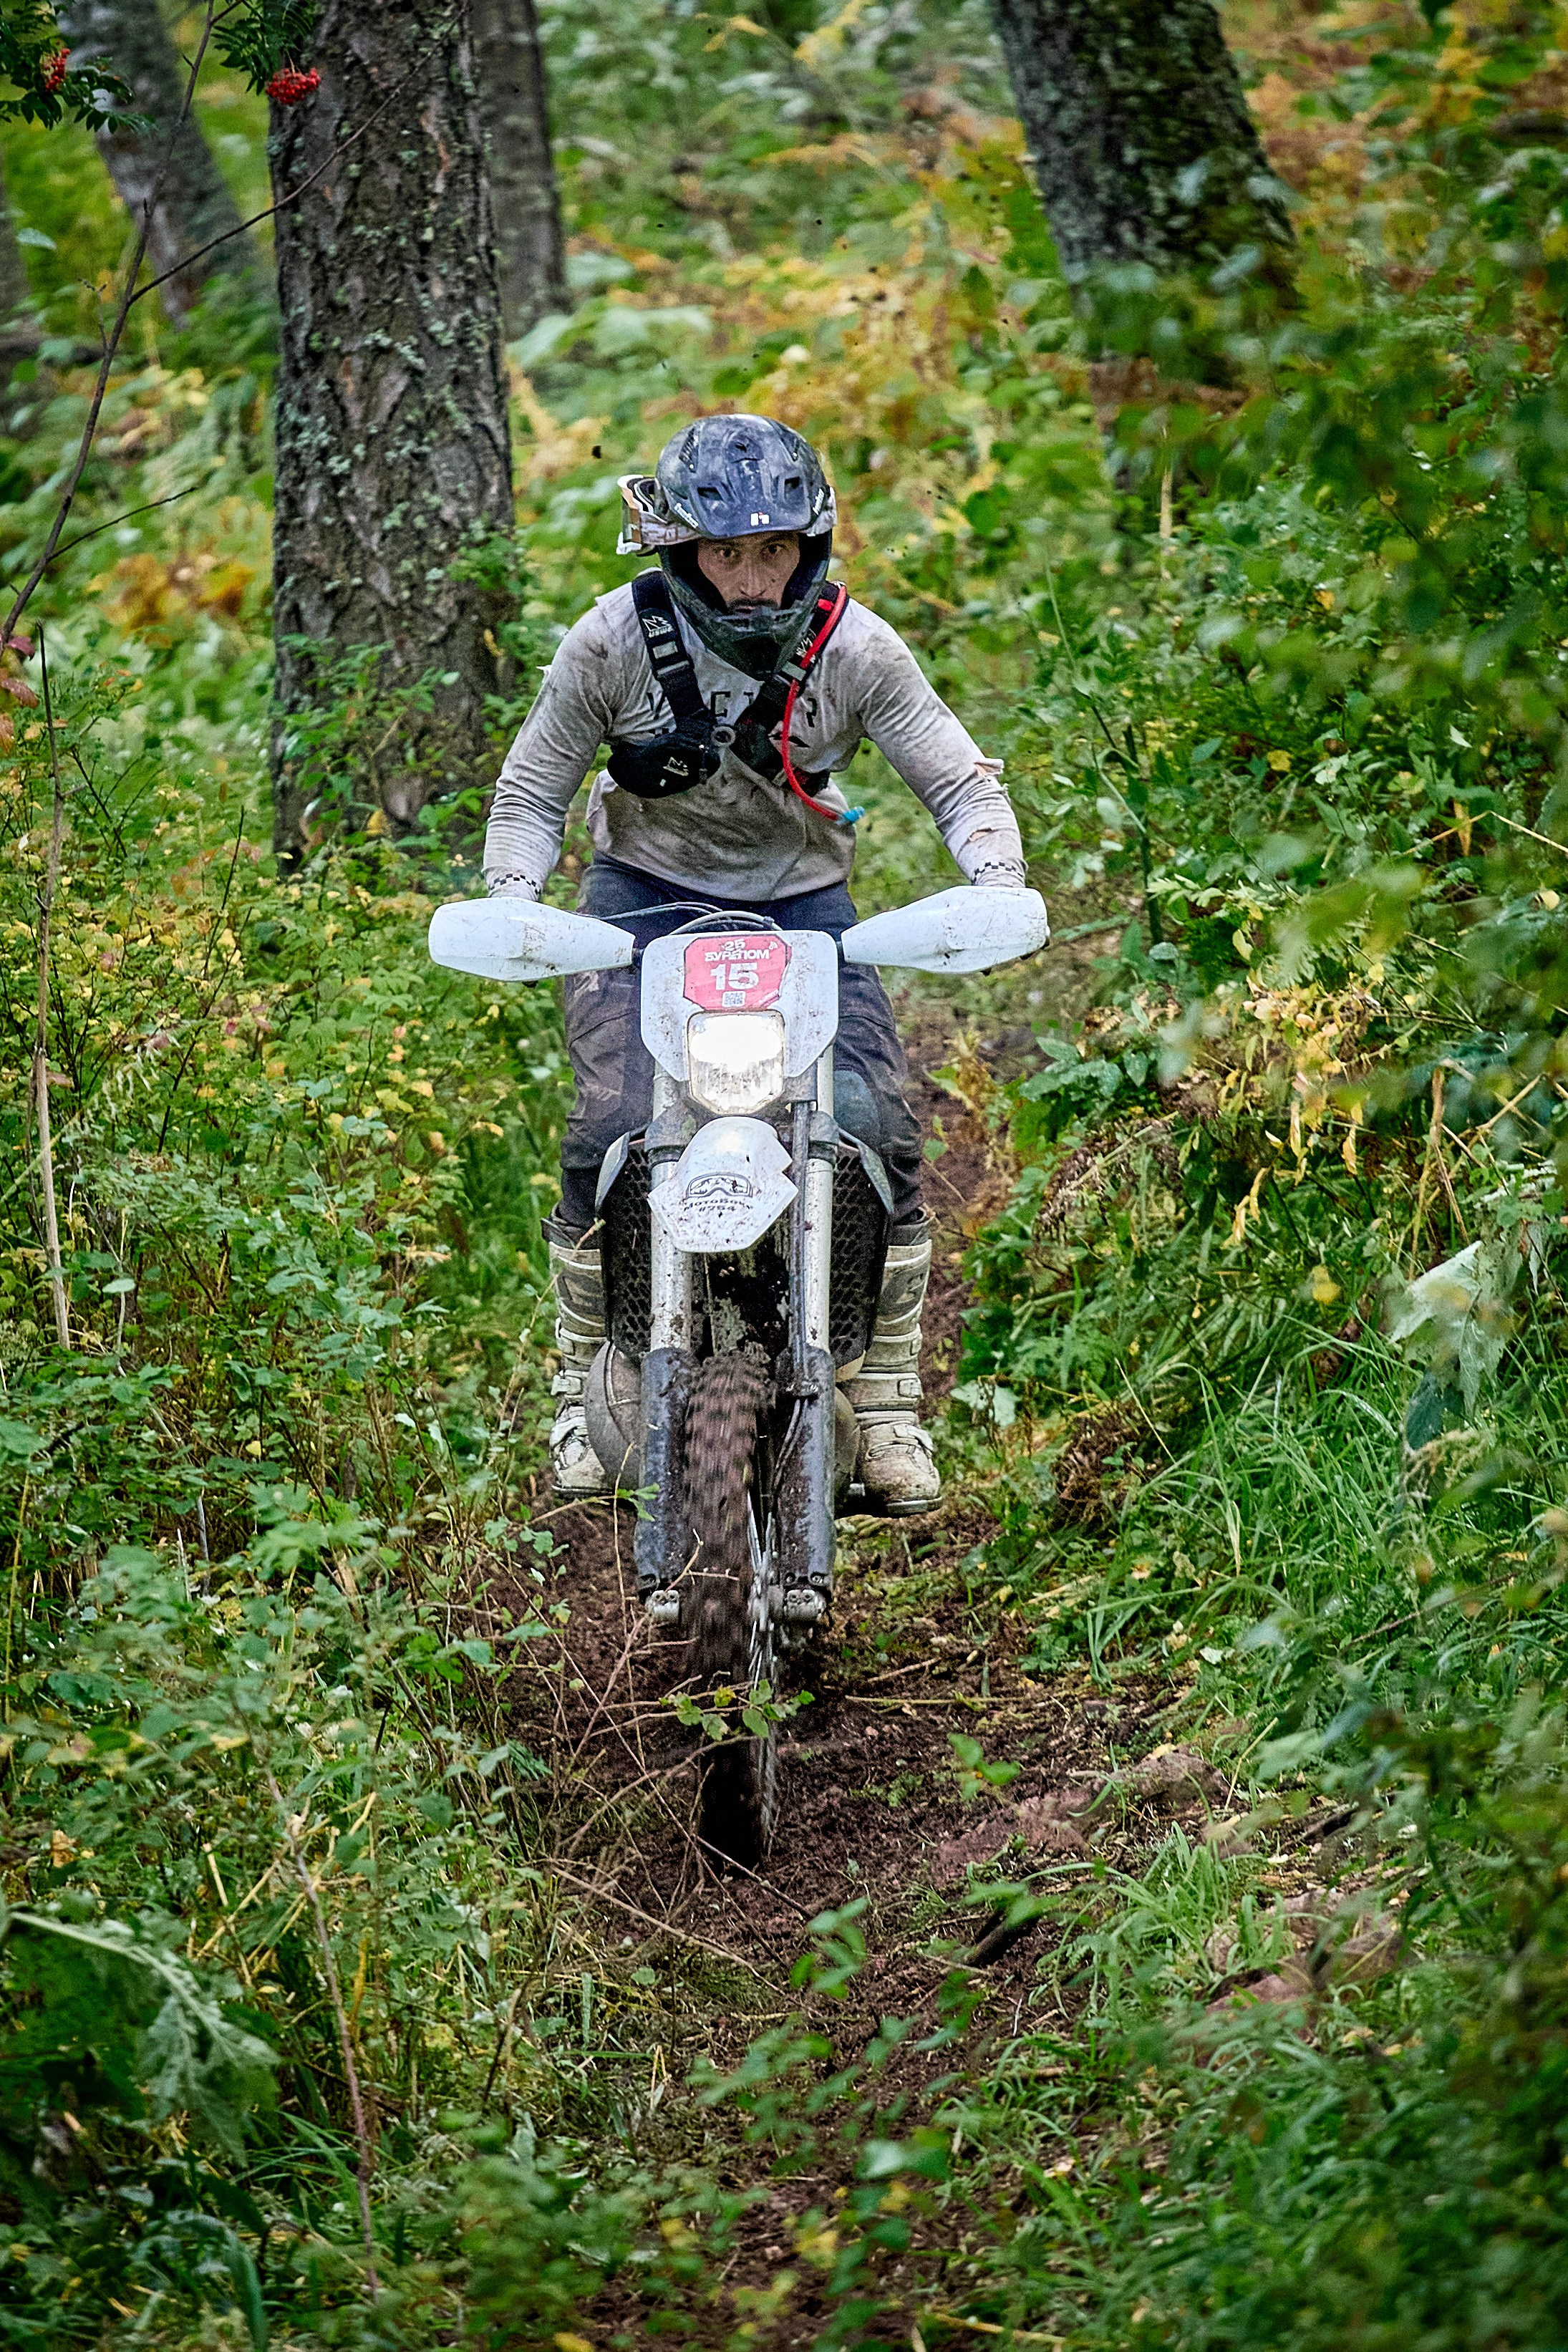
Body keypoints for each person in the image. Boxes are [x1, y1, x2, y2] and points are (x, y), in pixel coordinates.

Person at [483, 414, 1027, 1513]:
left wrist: (996, 876)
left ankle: (880, 1403)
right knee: (607, 1128)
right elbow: (531, 789)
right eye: (725, 553)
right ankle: (574, 1385)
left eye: (773, 548)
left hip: (805, 914)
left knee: (879, 1131)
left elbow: (959, 780)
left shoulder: (858, 647)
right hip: (639, 907)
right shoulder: (607, 642)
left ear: (810, 546)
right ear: (679, 553)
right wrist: (511, 905)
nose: (749, 576)